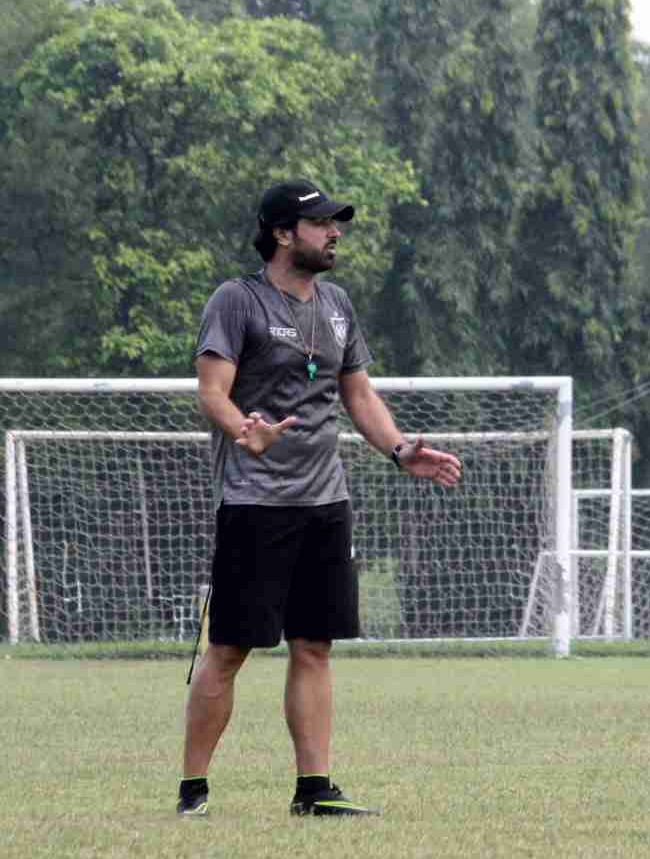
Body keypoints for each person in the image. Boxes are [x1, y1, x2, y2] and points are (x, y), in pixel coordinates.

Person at [179, 181, 463, 820]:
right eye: (321, 223)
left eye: (337, 223)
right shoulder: (237, 300)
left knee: (314, 646)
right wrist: (241, 430)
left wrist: (397, 451)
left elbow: (359, 396)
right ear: (283, 233)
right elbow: (212, 391)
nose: (335, 233)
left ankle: (314, 789)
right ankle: (193, 790)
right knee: (230, 650)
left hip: (324, 503)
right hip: (255, 503)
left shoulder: (336, 304)